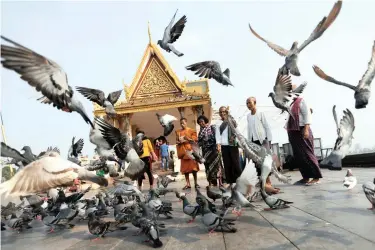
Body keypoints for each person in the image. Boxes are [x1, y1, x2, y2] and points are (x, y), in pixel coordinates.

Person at [286, 87, 322, 185]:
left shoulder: (301, 101)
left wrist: (306, 129)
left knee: (308, 153)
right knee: (299, 155)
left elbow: (307, 114)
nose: (289, 92)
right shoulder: (291, 103)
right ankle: (305, 177)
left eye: (291, 90)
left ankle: (316, 177)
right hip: (293, 131)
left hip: (302, 129)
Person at [246, 96, 280, 194]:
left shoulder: (261, 114)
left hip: (262, 141)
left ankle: (268, 183)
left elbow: (266, 127)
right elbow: (249, 130)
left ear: (255, 103)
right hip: (253, 142)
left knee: (265, 162)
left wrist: (269, 140)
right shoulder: (248, 116)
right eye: (247, 103)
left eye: (250, 102)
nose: (248, 105)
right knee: (257, 163)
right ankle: (264, 184)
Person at [215, 106, 242, 186]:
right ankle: (230, 182)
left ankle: (239, 180)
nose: (222, 113)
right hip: (224, 146)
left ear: (227, 112)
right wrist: (218, 144)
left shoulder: (232, 121)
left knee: (236, 163)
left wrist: (234, 137)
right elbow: (217, 135)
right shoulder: (218, 123)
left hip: (233, 144)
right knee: (227, 164)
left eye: (224, 111)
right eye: (220, 112)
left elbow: (237, 131)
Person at [197, 115, 223, 187]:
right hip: (205, 152)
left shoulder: (212, 128)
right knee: (208, 167)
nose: (201, 123)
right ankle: (211, 182)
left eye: (202, 121)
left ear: (205, 121)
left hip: (214, 150)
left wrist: (218, 146)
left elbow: (217, 138)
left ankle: (220, 181)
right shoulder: (200, 132)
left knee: (217, 166)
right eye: (199, 122)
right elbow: (199, 143)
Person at [176, 117, 200, 190]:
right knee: (185, 169)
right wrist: (179, 141)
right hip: (183, 152)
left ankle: (196, 183)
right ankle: (188, 183)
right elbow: (176, 141)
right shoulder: (178, 132)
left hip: (190, 151)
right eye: (181, 123)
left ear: (186, 122)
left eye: (183, 123)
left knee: (194, 168)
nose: (182, 124)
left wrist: (186, 139)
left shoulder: (191, 130)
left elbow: (195, 140)